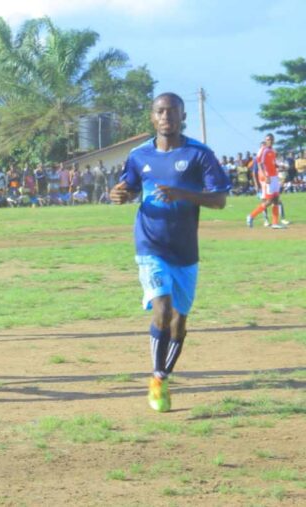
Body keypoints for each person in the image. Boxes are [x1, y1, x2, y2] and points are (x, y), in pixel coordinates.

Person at [110, 93, 230, 413]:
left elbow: (219, 200)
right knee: (162, 309)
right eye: (160, 112)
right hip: (150, 243)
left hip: (185, 249)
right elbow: (130, 186)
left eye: (172, 112)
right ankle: (157, 378)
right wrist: (120, 194)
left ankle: (164, 374)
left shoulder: (199, 154)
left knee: (179, 321)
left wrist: (182, 194)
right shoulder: (139, 155)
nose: (166, 117)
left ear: (182, 116)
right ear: (152, 117)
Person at [247, 134, 286, 229]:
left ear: (274, 140)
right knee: (269, 201)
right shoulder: (263, 150)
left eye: (271, 139)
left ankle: (275, 223)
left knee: (276, 199)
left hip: (274, 176)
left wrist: (280, 167)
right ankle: (251, 216)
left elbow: (273, 163)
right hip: (268, 177)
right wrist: (265, 176)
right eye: (268, 139)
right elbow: (260, 164)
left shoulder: (272, 151)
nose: (270, 141)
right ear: (265, 140)